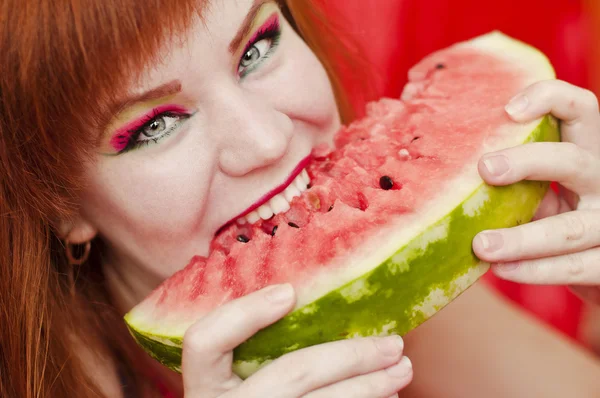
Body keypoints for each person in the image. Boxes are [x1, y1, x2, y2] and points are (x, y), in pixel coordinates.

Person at [1, 0, 600, 397]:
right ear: (60, 203)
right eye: (155, 125)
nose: (267, 140)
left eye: (256, 48)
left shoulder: (379, 286)